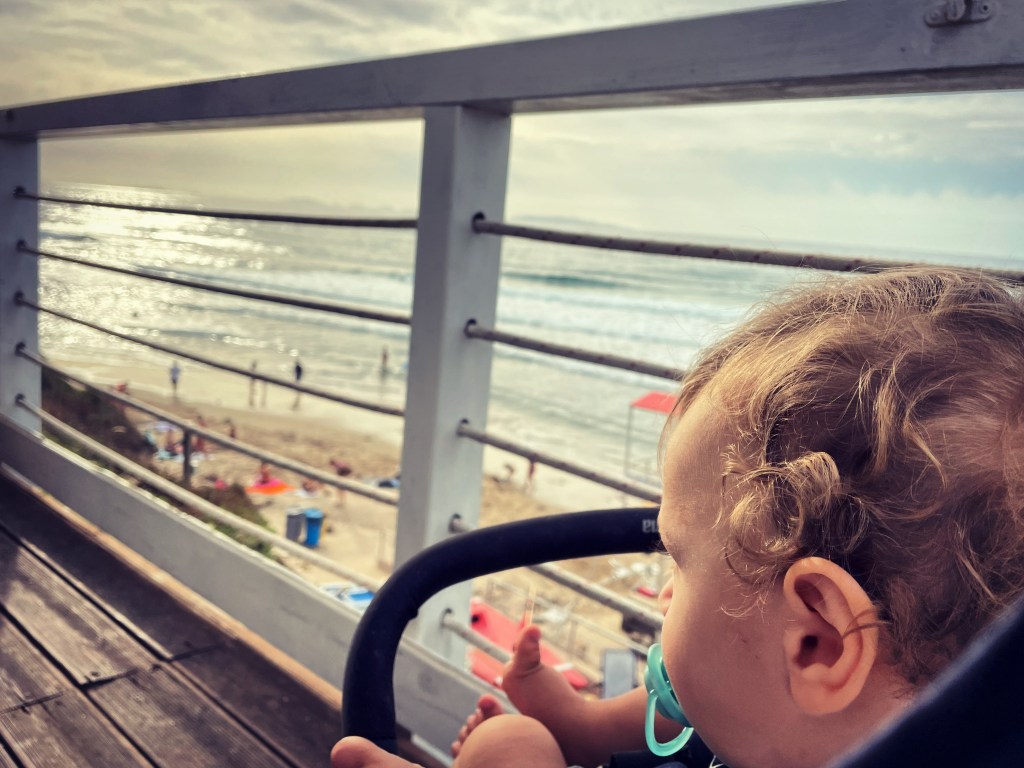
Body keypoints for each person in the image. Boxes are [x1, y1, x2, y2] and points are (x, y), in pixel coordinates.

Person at [331, 268, 1024, 768]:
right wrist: (578, 725)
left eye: (678, 558)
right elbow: (698, 701)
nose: (664, 594)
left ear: (816, 642)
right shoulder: (794, 719)